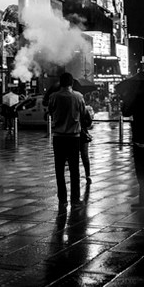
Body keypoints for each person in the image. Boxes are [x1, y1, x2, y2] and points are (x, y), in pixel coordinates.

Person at [48, 72, 87, 210]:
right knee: (74, 169)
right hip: (73, 137)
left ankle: (62, 199)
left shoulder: (54, 97)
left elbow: (50, 111)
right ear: (71, 83)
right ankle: (75, 199)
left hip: (58, 137)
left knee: (59, 169)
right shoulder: (78, 97)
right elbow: (83, 114)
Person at [80, 104, 94, 184]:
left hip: (75, 134)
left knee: (77, 157)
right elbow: (89, 122)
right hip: (82, 135)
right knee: (84, 156)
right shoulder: (83, 109)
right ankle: (87, 175)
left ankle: (87, 175)